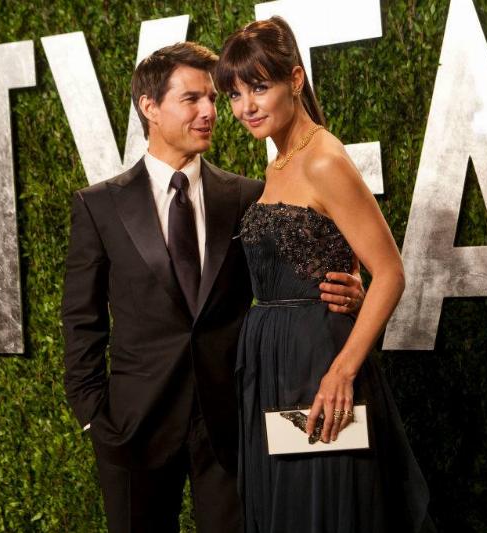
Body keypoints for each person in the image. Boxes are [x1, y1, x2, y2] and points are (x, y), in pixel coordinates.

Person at [61, 41, 365, 533]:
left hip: (231, 424)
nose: (210, 112)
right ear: (149, 107)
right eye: (192, 99)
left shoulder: (247, 195)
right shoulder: (100, 206)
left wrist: (354, 290)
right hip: (133, 426)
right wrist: (94, 416)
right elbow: (81, 319)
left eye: (212, 99)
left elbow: (298, 275)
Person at [215, 17, 432, 532]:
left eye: (259, 87)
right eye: (235, 93)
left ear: (294, 79)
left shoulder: (323, 160)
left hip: (318, 361)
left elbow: (391, 272)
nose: (245, 106)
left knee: (326, 507)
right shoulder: (279, 161)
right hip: (272, 362)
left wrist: (342, 371)